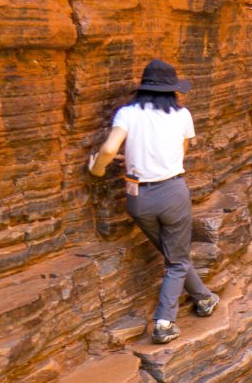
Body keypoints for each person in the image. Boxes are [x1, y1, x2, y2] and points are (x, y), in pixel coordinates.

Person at [89, 58, 219, 344]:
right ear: (172, 90)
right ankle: (164, 322)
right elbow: (179, 154)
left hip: (138, 197)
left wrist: (97, 169)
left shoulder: (128, 113)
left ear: (143, 89)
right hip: (172, 192)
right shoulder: (182, 115)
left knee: (174, 255)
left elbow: (110, 148)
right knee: (177, 260)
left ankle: (204, 298)